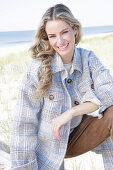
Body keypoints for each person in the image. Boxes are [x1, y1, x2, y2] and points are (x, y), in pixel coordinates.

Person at [10, 3, 113, 170]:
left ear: (75, 30)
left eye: (64, 32)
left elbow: (110, 93)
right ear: (47, 38)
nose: (60, 41)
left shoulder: (88, 58)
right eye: (52, 36)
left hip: (80, 136)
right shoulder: (37, 69)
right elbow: (24, 124)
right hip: (50, 144)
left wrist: (70, 112)